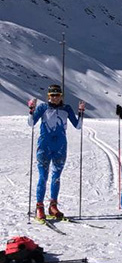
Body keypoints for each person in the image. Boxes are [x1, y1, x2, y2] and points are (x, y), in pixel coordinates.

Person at [27, 84, 85, 220]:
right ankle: (39, 206)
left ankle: (53, 205)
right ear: (48, 96)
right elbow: (31, 123)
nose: (55, 98)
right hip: (44, 146)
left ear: (61, 96)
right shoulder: (43, 107)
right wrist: (31, 110)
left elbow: (78, 126)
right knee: (43, 176)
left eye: (57, 95)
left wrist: (81, 112)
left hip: (60, 147)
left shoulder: (66, 108)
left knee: (56, 177)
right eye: (52, 95)